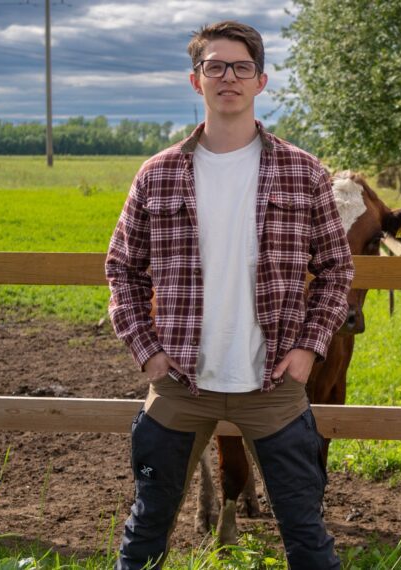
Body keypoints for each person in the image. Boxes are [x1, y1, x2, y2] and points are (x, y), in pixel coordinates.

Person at [105, 20, 352, 570]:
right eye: (214, 66)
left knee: (307, 536)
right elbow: (122, 271)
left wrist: (309, 349)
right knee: (146, 529)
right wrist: (148, 353)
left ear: (260, 81)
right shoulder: (157, 175)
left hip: (273, 388)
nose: (228, 77)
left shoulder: (303, 173)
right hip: (179, 386)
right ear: (196, 81)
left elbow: (337, 272)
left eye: (241, 67)